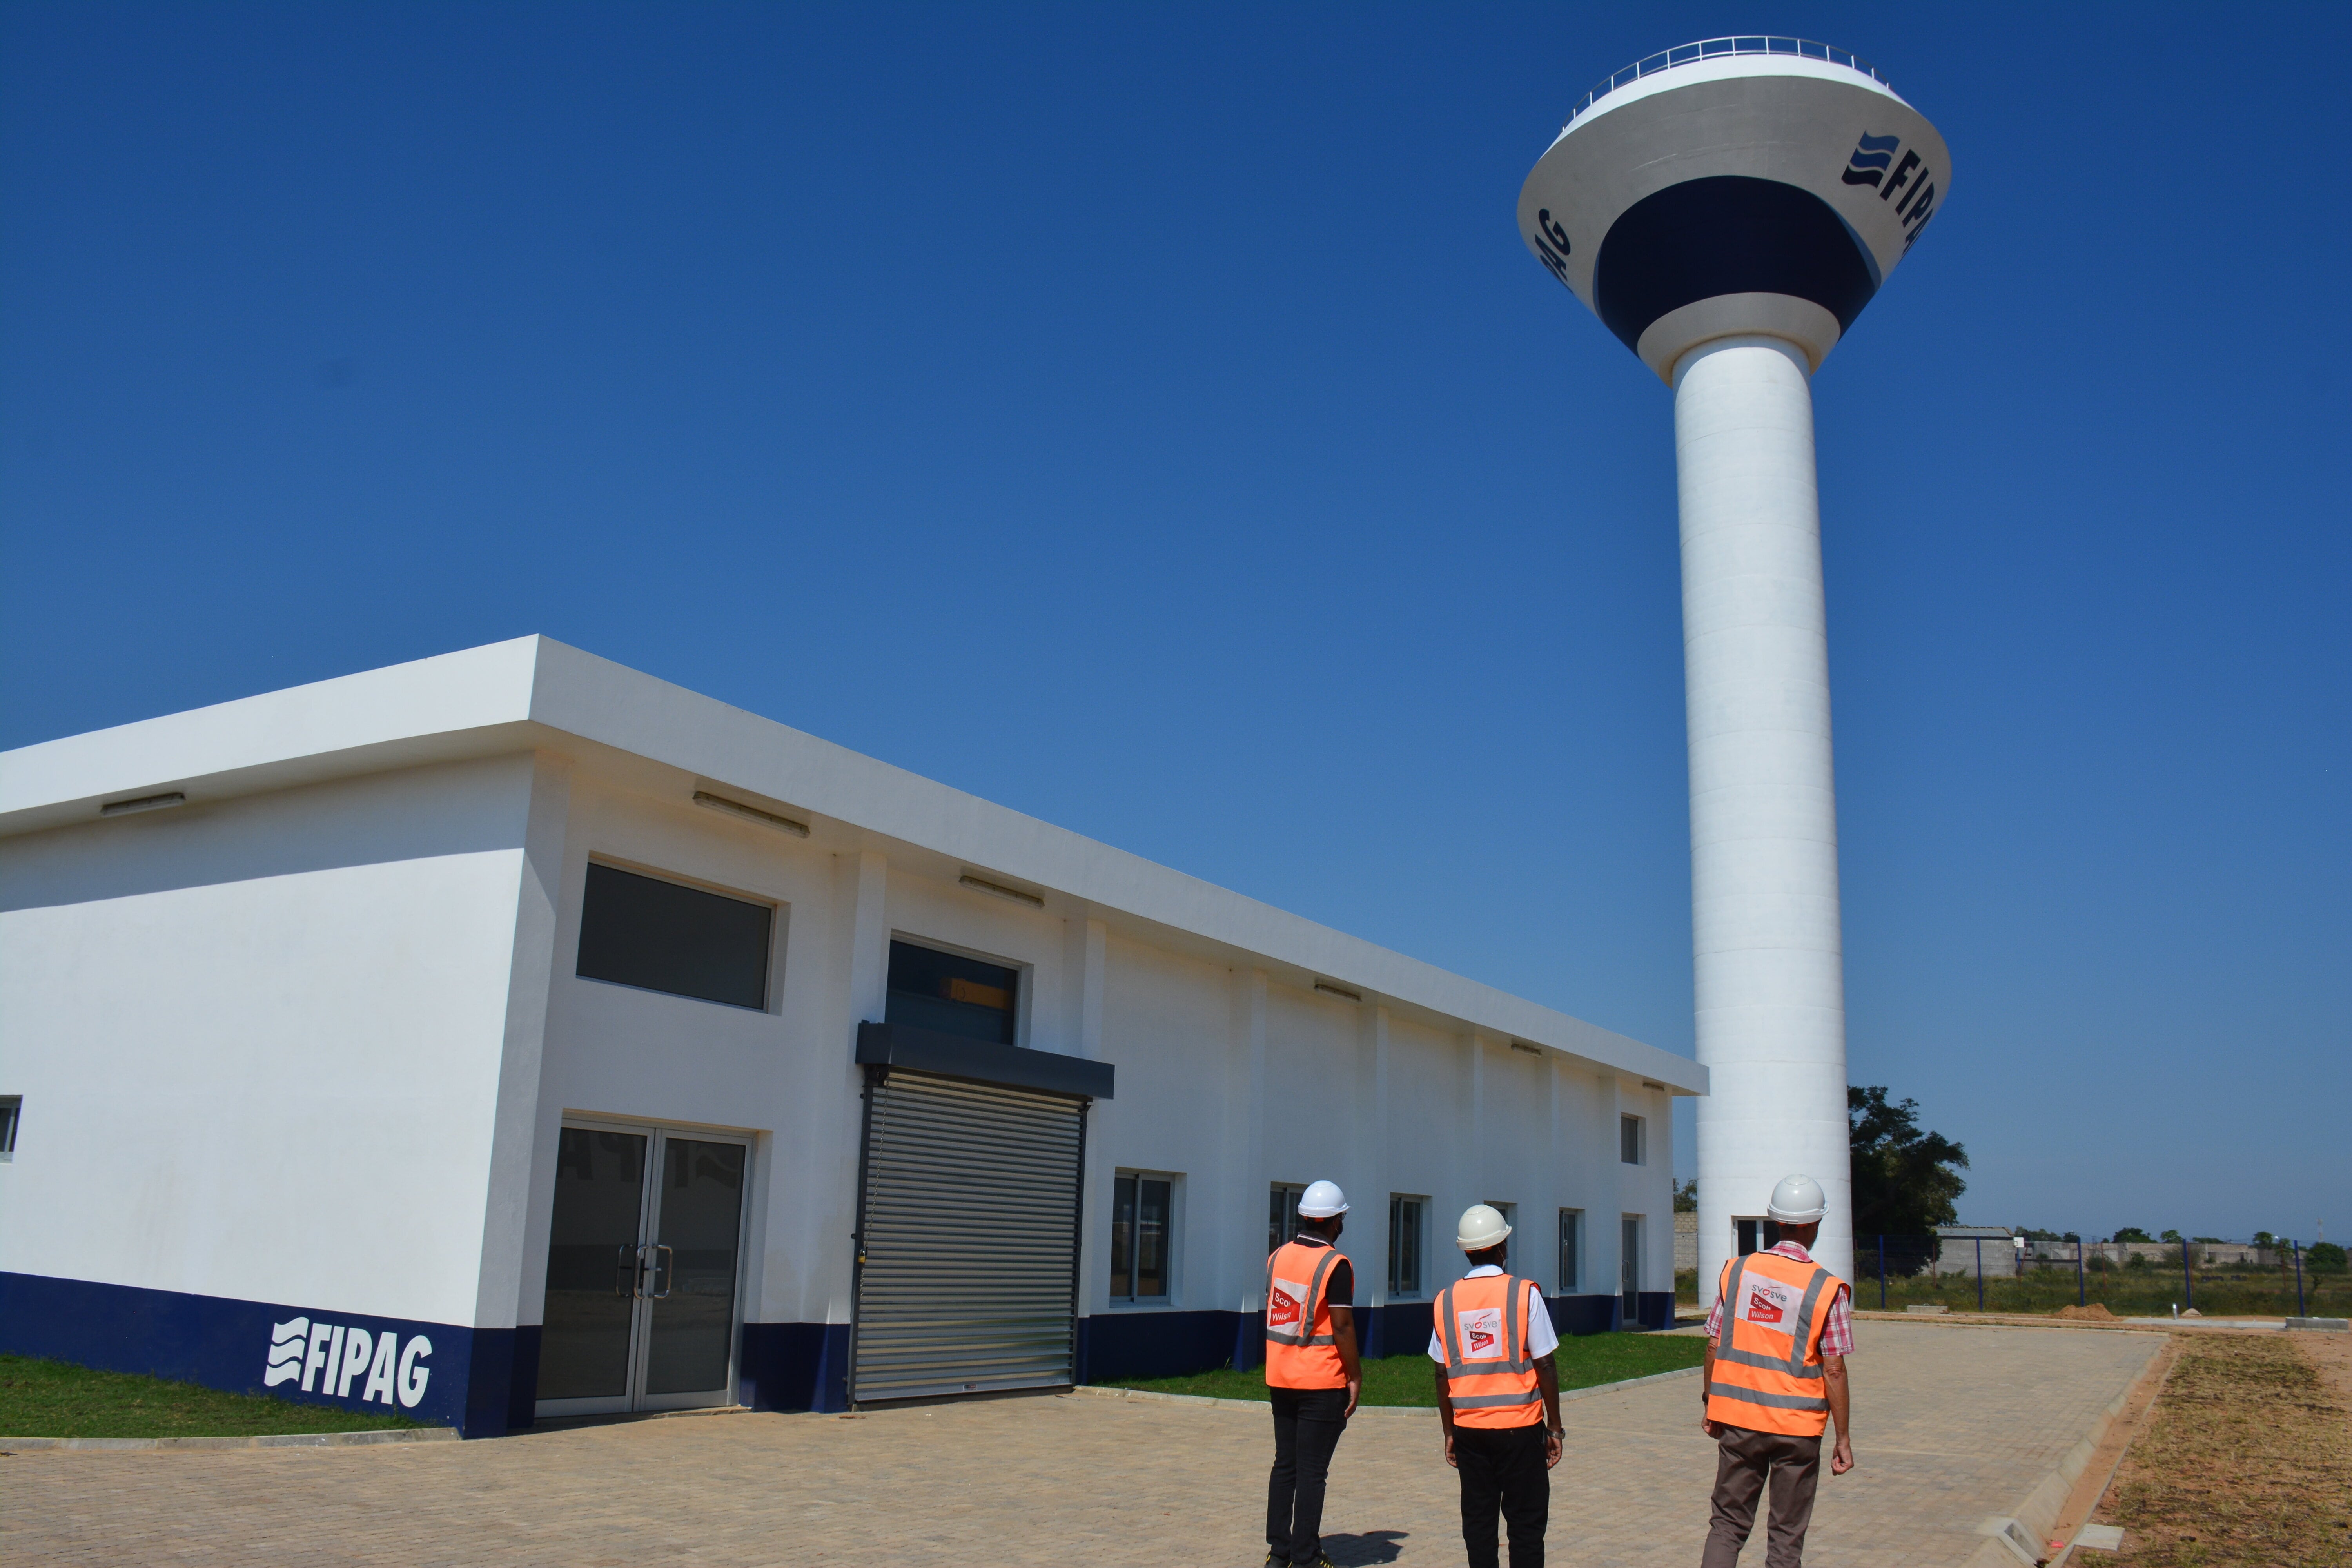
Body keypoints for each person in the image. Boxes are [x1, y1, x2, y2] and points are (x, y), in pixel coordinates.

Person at [1698, 1174, 1856, 1568]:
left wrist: (1711, 1405)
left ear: (1775, 1221)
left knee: (1727, 1526)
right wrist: (1844, 1438)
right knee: (1786, 1538)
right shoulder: (1827, 1288)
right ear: (1815, 1224)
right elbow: (1834, 1369)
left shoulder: (1736, 1271)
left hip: (1740, 1420)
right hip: (1798, 1430)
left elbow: (1714, 1344)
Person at [1431, 1204, 1564, 1568]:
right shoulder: (1524, 1294)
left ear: (1467, 1251)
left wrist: (1449, 1432)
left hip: (1470, 1431)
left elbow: (1442, 1374)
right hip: (1520, 1430)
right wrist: (1554, 1426)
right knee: (1526, 1525)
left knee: (1478, 1525)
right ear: (1503, 1246)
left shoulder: (1446, 1301)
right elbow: (1545, 1363)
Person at [1264, 1180, 1363, 1568]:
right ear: (1336, 1221)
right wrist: (1354, 1375)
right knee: (1312, 1471)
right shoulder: (1335, 1264)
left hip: (1281, 1378)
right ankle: (1305, 1557)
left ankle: (1280, 1551)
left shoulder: (1276, 1257)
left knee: (1284, 1464)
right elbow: (1342, 1326)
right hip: (1321, 1382)